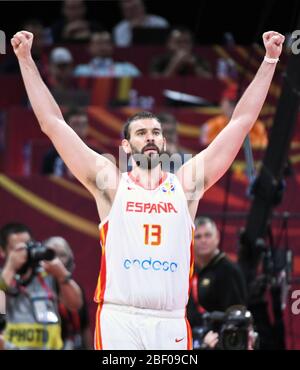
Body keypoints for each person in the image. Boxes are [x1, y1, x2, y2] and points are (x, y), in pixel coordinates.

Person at [11, 29, 284, 350]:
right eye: (141, 132)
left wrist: (269, 60)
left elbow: (240, 123)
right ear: (126, 145)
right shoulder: (110, 183)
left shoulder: (185, 184)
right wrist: (25, 59)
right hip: (119, 317)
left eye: (156, 131)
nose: (151, 137)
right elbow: (53, 124)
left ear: (165, 142)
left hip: (170, 320)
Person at [0, 223, 83, 349]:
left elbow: (75, 305)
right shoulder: (3, 277)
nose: (24, 253)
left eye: (27, 246)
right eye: (17, 249)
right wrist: (10, 268)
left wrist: (62, 275)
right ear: (2, 251)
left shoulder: (48, 273)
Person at [187, 217, 247, 348]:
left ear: (217, 237)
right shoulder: (189, 269)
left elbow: (236, 316)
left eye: (207, 235)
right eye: (198, 236)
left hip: (219, 342)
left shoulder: (229, 270)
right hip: (194, 339)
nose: (203, 240)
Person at [44, 236, 93, 350]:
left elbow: (84, 326)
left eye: (62, 255)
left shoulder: (75, 289)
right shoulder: (31, 288)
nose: (56, 260)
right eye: (51, 254)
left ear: (70, 260)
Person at [200, 82, 268, 149]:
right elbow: (203, 152)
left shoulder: (258, 128)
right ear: (222, 102)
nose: (235, 106)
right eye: (231, 102)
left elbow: (262, 152)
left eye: (238, 102)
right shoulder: (211, 126)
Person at [74, 31, 141, 77]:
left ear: (112, 47)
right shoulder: (80, 71)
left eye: (106, 43)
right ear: (89, 48)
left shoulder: (128, 69)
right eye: (98, 43)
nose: (102, 46)